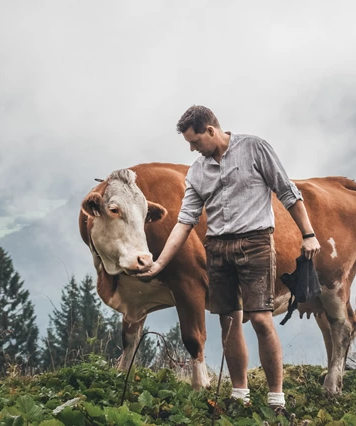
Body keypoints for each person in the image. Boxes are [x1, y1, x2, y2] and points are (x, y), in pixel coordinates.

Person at [137, 105, 321, 413]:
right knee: (228, 321)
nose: (193, 149)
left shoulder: (254, 148)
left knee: (261, 319)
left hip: (256, 244)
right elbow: (184, 221)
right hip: (217, 250)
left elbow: (288, 192)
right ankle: (240, 396)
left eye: (195, 141)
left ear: (210, 130)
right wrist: (158, 265)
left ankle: (276, 400)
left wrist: (308, 234)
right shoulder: (198, 170)